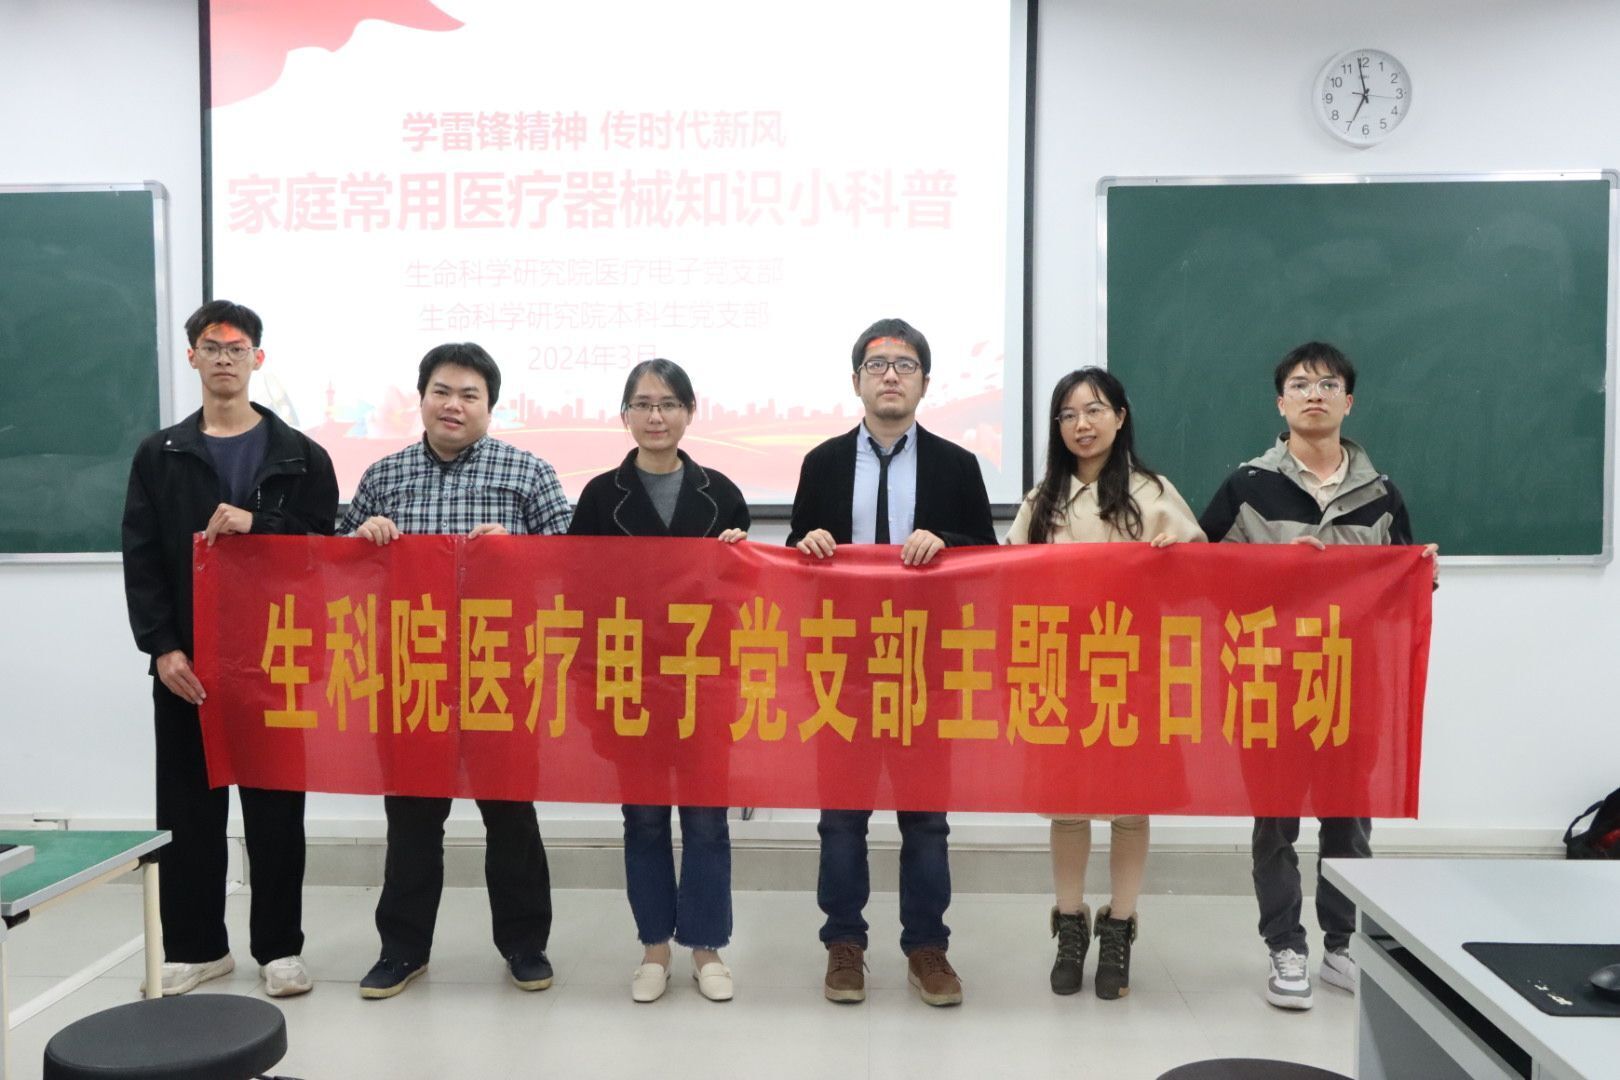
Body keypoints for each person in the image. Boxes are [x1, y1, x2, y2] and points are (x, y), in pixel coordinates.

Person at [1198, 341, 1437, 1012]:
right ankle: (1286, 947)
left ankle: (1341, 945)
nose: (1314, 394)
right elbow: (1203, 578)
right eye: (1301, 384)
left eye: (1328, 384)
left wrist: (1423, 575)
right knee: (1275, 822)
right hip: (1269, 681)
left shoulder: (1380, 493)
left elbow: (1398, 591)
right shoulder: (1246, 486)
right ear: (1281, 402)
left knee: (1348, 820)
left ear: (1348, 402)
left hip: (1351, 683)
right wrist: (1275, 568)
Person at [121, 300, 338, 997]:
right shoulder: (161, 454)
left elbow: (323, 553)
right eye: (211, 347)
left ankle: (279, 949)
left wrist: (260, 522)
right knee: (188, 811)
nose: (223, 358)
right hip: (189, 667)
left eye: (236, 347)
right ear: (192, 357)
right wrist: (162, 649)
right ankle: (197, 948)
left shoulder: (301, 455)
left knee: (276, 812)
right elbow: (142, 559)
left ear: (257, 359)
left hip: (278, 660)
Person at [342, 342, 571, 999]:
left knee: (511, 816)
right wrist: (361, 537)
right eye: (442, 391)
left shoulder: (527, 472)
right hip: (413, 670)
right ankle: (402, 950)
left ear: (490, 407)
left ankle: (525, 945)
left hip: (501, 670)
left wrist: (518, 552)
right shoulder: (383, 476)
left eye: (470, 395)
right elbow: (338, 561)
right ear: (421, 399)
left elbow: (572, 559)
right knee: (413, 818)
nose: (454, 405)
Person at [787, 317, 996, 1007]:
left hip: (925, 665)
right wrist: (807, 544)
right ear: (856, 381)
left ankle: (927, 947)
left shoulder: (957, 465)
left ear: (925, 384)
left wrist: (948, 542)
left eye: (905, 366)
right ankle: (843, 943)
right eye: (877, 365)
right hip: (841, 665)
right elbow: (793, 555)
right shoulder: (821, 462)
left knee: (925, 818)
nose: (890, 376)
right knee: (841, 817)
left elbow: (986, 557)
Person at [1006, 367, 1205, 1001]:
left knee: (1128, 802)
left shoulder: (1154, 492)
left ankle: (1120, 924)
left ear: (1120, 417)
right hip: (1061, 671)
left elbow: (1205, 576)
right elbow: (1007, 575)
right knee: (1066, 802)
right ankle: (1070, 924)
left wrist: (1178, 558)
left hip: (1132, 670)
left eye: (1094, 410)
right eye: (1068, 415)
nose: (1082, 425)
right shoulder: (1042, 500)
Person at [568, 358, 750, 1004]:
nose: (656, 416)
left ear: (689, 413)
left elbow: (744, 600)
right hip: (630, 683)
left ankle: (706, 947)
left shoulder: (721, 494)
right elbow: (579, 598)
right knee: (643, 820)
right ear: (624, 415)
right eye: (643, 404)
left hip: (704, 683)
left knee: (706, 822)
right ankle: (653, 948)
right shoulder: (599, 497)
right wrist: (589, 692)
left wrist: (739, 560)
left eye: (669, 403)